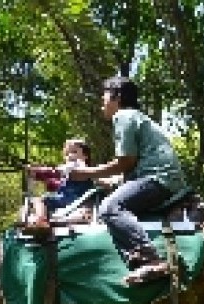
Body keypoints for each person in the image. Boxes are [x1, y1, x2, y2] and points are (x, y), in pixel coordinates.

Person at [68, 76, 188, 285]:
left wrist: (86, 173)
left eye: (104, 96)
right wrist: (104, 181)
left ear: (117, 97)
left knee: (110, 207)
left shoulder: (123, 116)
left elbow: (125, 162)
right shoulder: (137, 117)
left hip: (157, 178)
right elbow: (129, 172)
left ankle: (151, 259)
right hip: (159, 177)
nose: (102, 102)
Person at [25, 138, 93, 231]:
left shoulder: (78, 164)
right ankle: (38, 221)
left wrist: (38, 173)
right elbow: (59, 182)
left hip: (74, 199)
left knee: (39, 200)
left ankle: (41, 221)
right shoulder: (72, 168)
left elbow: (54, 172)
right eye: (67, 153)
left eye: (74, 152)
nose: (70, 155)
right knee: (40, 199)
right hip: (70, 198)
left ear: (85, 156)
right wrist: (38, 175)